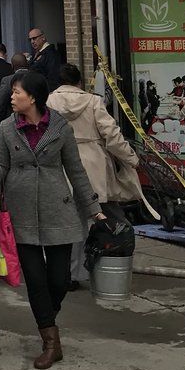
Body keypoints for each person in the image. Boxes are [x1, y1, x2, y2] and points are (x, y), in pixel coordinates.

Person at [0, 69, 106, 370]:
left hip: (58, 207)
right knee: (35, 279)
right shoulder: (7, 127)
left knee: (58, 280)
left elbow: (75, 170)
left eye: (17, 92)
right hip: (21, 212)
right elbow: (1, 165)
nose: (12, 97)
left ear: (32, 97)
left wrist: (93, 208)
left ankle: (46, 315)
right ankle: (50, 340)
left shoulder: (60, 127)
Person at [48, 64, 142, 285]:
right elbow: (112, 134)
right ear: (79, 82)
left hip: (60, 165)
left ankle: (65, 273)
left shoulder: (48, 102)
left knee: (68, 221)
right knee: (100, 216)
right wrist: (131, 159)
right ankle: (92, 268)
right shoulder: (93, 101)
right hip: (93, 166)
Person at [0, 52, 29, 135]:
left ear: (12, 66)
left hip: (14, 126)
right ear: (27, 64)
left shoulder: (7, 81)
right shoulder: (37, 78)